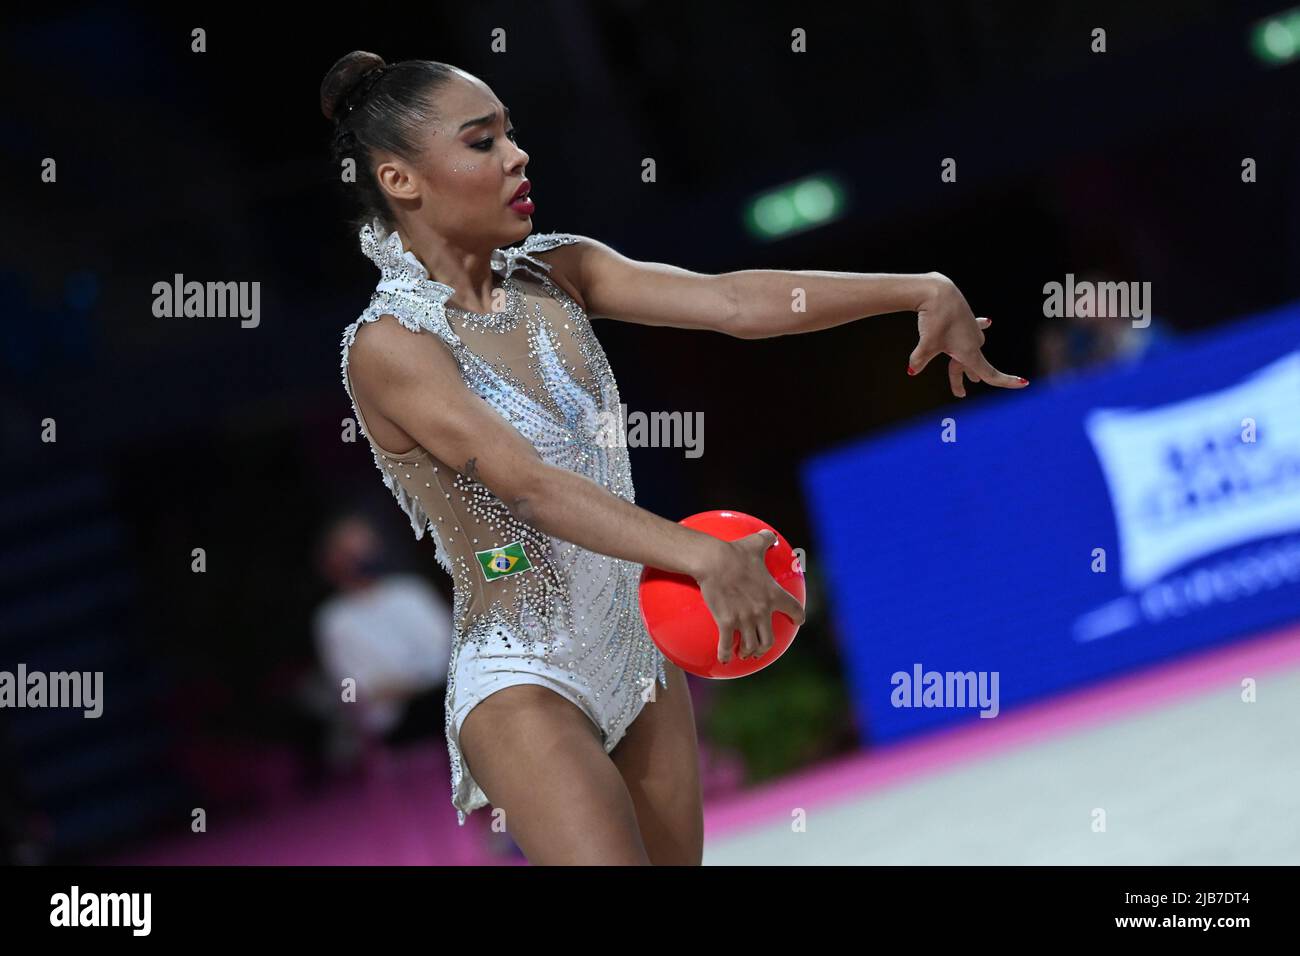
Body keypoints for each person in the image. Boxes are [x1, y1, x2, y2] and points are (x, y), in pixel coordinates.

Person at [320, 51, 1026, 865]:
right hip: (522, 675)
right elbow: (526, 485)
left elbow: (732, 300)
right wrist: (698, 552)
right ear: (401, 181)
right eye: (482, 142)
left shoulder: (563, 270)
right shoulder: (390, 347)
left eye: (511, 134)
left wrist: (918, 287)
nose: (518, 156)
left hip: (640, 657)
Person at [312, 512, 452, 752]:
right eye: (351, 551)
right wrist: (358, 700)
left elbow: (451, 646)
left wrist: (419, 679)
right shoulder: (333, 619)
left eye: (366, 546)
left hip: (445, 691)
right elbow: (346, 685)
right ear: (332, 560)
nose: (362, 557)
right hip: (396, 717)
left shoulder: (410, 591)